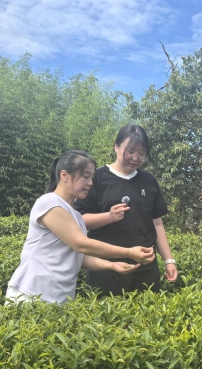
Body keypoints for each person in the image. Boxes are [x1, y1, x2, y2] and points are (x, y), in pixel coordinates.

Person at [6, 150, 155, 304]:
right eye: (85, 176)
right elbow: (81, 244)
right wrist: (128, 252)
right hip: (30, 294)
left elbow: (78, 256)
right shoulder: (49, 202)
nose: (90, 183)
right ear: (64, 175)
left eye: (92, 177)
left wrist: (112, 265)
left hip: (59, 299)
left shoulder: (76, 216)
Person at [74, 124, 178, 296]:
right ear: (116, 146)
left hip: (145, 267)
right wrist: (108, 217)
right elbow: (78, 220)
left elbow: (157, 224)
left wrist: (169, 260)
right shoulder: (97, 178)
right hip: (106, 267)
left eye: (141, 153)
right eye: (130, 151)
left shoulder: (149, 181)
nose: (135, 157)